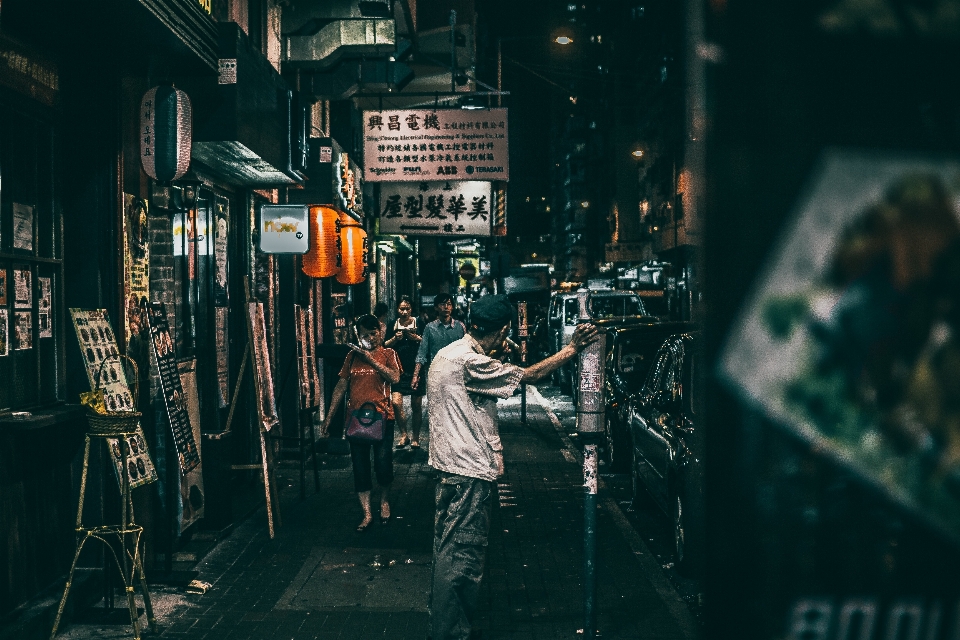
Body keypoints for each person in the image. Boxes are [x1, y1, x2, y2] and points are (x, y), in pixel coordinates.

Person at [427, 294, 599, 640]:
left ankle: (444, 628)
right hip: (469, 475)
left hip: (449, 472)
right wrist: (572, 349)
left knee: (446, 553)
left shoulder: (449, 355)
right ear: (502, 328)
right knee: (462, 560)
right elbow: (529, 375)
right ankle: (448, 634)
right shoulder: (470, 363)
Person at [320, 314, 401, 531]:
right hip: (356, 421)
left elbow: (395, 378)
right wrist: (329, 418)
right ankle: (366, 513)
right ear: (358, 335)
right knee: (360, 468)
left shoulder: (389, 354)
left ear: (380, 332)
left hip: (383, 418)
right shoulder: (351, 357)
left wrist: (371, 359)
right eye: (366, 335)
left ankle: (384, 500)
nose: (371, 338)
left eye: (374, 333)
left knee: (383, 465)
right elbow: (340, 388)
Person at [383, 295, 424, 448]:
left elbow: (426, 341)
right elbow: (385, 345)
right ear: (397, 309)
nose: (404, 312)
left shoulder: (418, 322)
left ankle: (415, 437)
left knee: (416, 405)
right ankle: (404, 434)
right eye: (401, 309)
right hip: (397, 369)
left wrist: (416, 338)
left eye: (407, 309)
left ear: (411, 309)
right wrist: (395, 338)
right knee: (396, 402)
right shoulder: (392, 324)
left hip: (416, 368)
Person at [412, 294, 466, 394]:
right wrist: (415, 376)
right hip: (436, 373)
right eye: (442, 304)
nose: (446, 307)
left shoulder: (460, 327)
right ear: (436, 307)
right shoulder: (430, 328)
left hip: (456, 373)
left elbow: (467, 351)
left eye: (449, 304)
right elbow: (421, 353)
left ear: (452, 307)